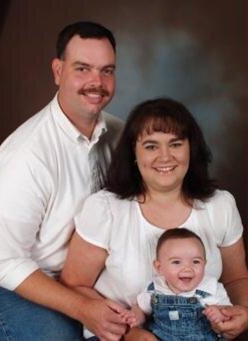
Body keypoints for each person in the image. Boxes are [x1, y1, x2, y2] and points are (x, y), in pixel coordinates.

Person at [61, 97, 248, 341]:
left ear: (191, 148)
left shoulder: (219, 205)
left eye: (175, 144)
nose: (165, 156)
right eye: (151, 146)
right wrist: (128, 332)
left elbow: (236, 278)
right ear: (134, 154)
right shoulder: (106, 209)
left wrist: (243, 312)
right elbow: (75, 284)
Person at [0, 21, 128, 341]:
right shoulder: (26, 157)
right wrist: (82, 308)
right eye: (83, 68)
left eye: (107, 71)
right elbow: (3, 261)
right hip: (21, 277)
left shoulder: (122, 135)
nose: (97, 82)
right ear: (58, 70)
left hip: (91, 275)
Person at [123, 228, 231, 340]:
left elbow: (229, 316)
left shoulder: (211, 288)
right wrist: (135, 317)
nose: (187, 269)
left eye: (196, 261)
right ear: (159, 268)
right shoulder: (156, 288)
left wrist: (219, 315)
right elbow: (141, 309)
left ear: (205, 264)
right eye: (176, 262)